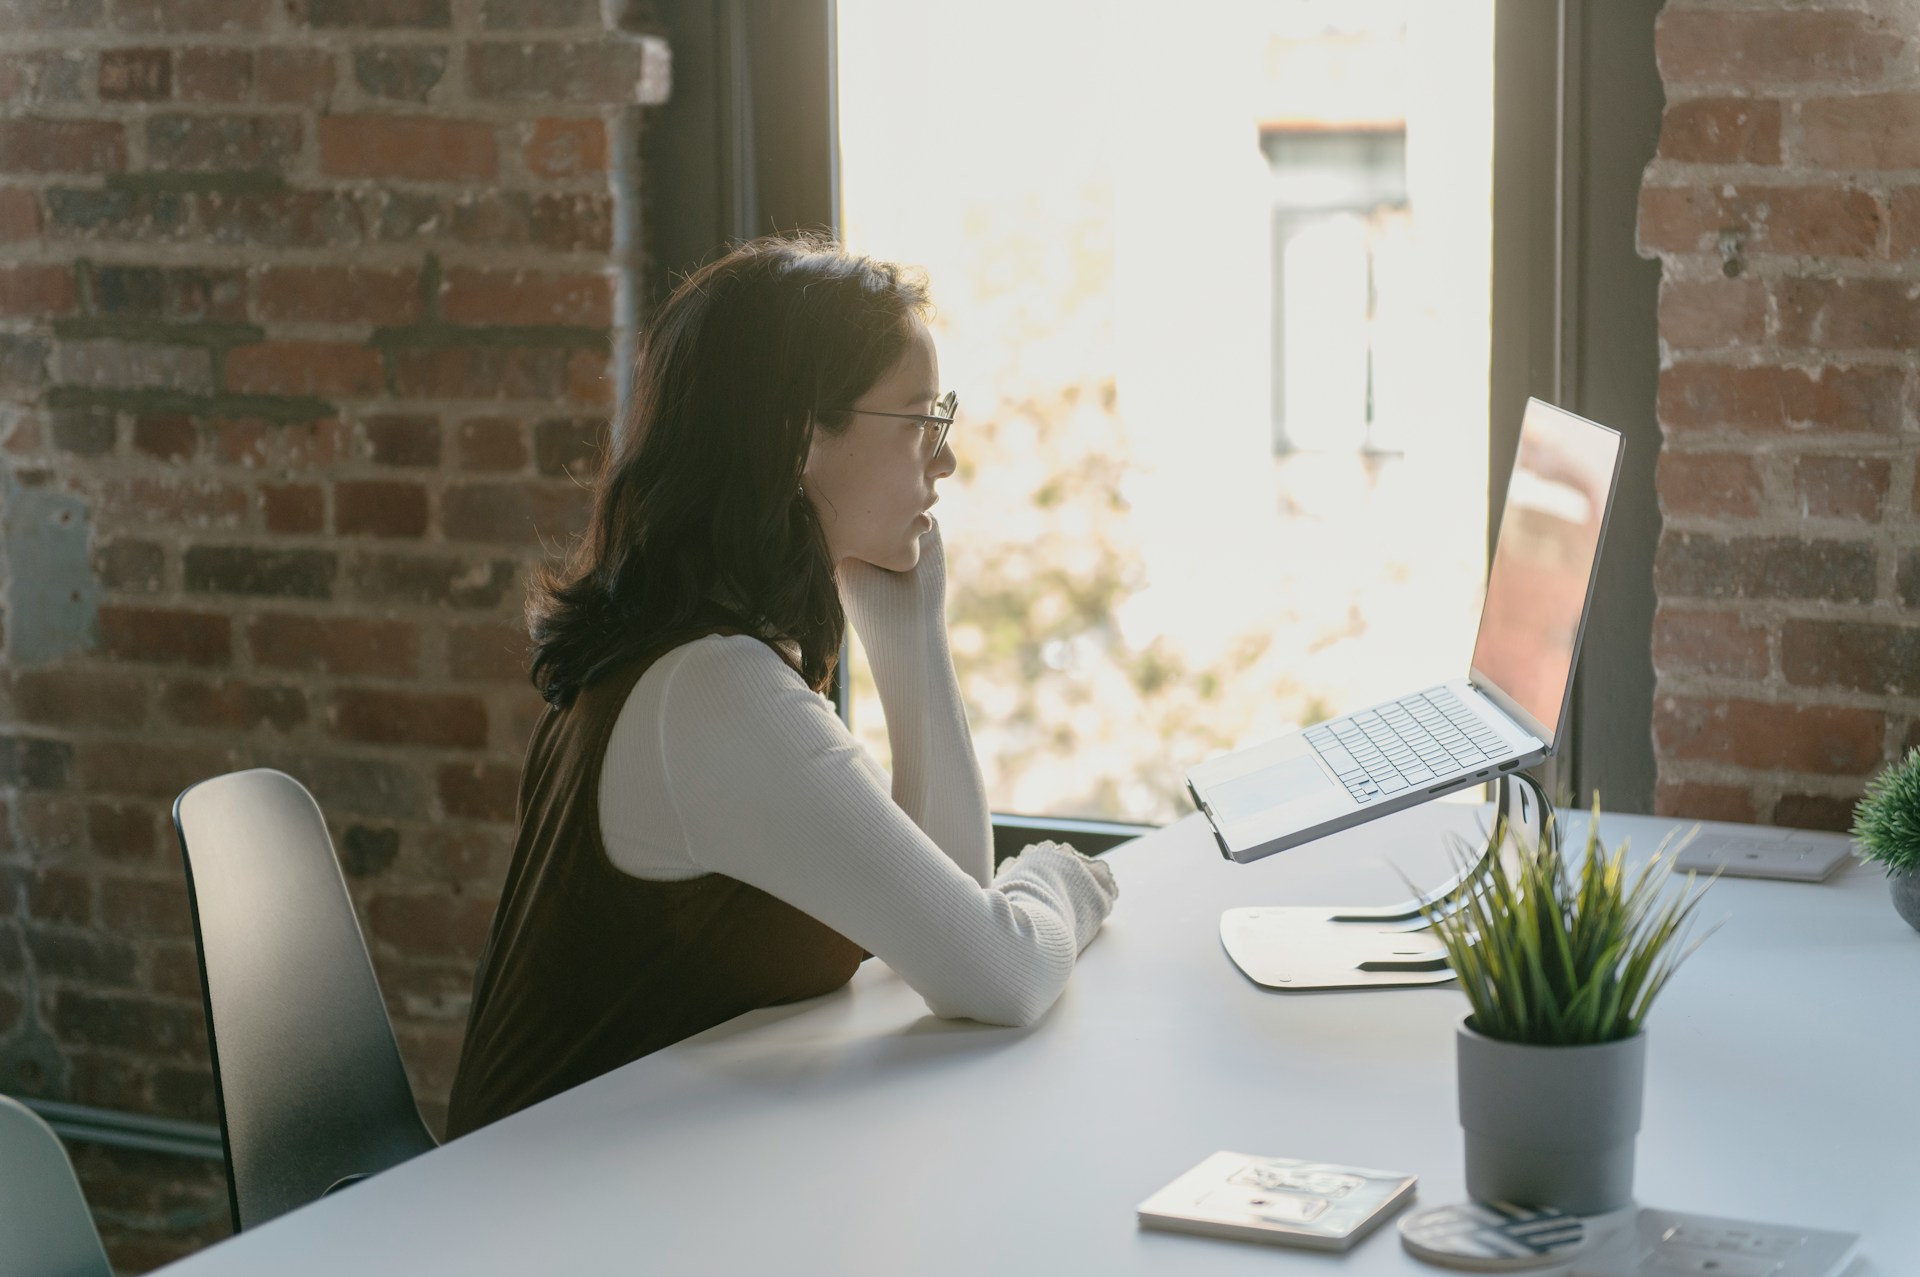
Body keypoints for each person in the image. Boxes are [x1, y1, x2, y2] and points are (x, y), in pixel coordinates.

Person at [445, 235, 1120, 1137]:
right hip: (533, 1237)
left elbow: (946, 913)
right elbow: (1001, 973)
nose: (945, 459)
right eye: (921, 420)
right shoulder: (716, 693)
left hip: (627, 1201)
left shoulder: (689, 655)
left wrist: (909, 633)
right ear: (798, 435)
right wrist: (1063, 880)